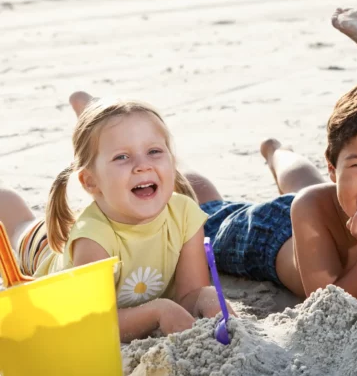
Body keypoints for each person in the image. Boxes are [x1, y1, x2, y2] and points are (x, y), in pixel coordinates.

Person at [178, 77, 357, 301]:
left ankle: (276, 153)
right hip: (273, 234)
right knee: (208, 213)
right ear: (332, 167)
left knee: (308, 185)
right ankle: (175, 165)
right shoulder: (310, 206)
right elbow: (332, 309)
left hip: (331, 200)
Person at [0, 95, 233, 342]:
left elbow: (189, 294)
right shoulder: (93, 240)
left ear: (172, 162)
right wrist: (157, 312)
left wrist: (205, 297)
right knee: (20, 228)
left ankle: (90, 107)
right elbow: (92, 321)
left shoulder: (185, 215)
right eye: (122, 156)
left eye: (154, 151)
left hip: (102, 214)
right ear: (90, 181)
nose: (142, 166)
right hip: (47, 254)